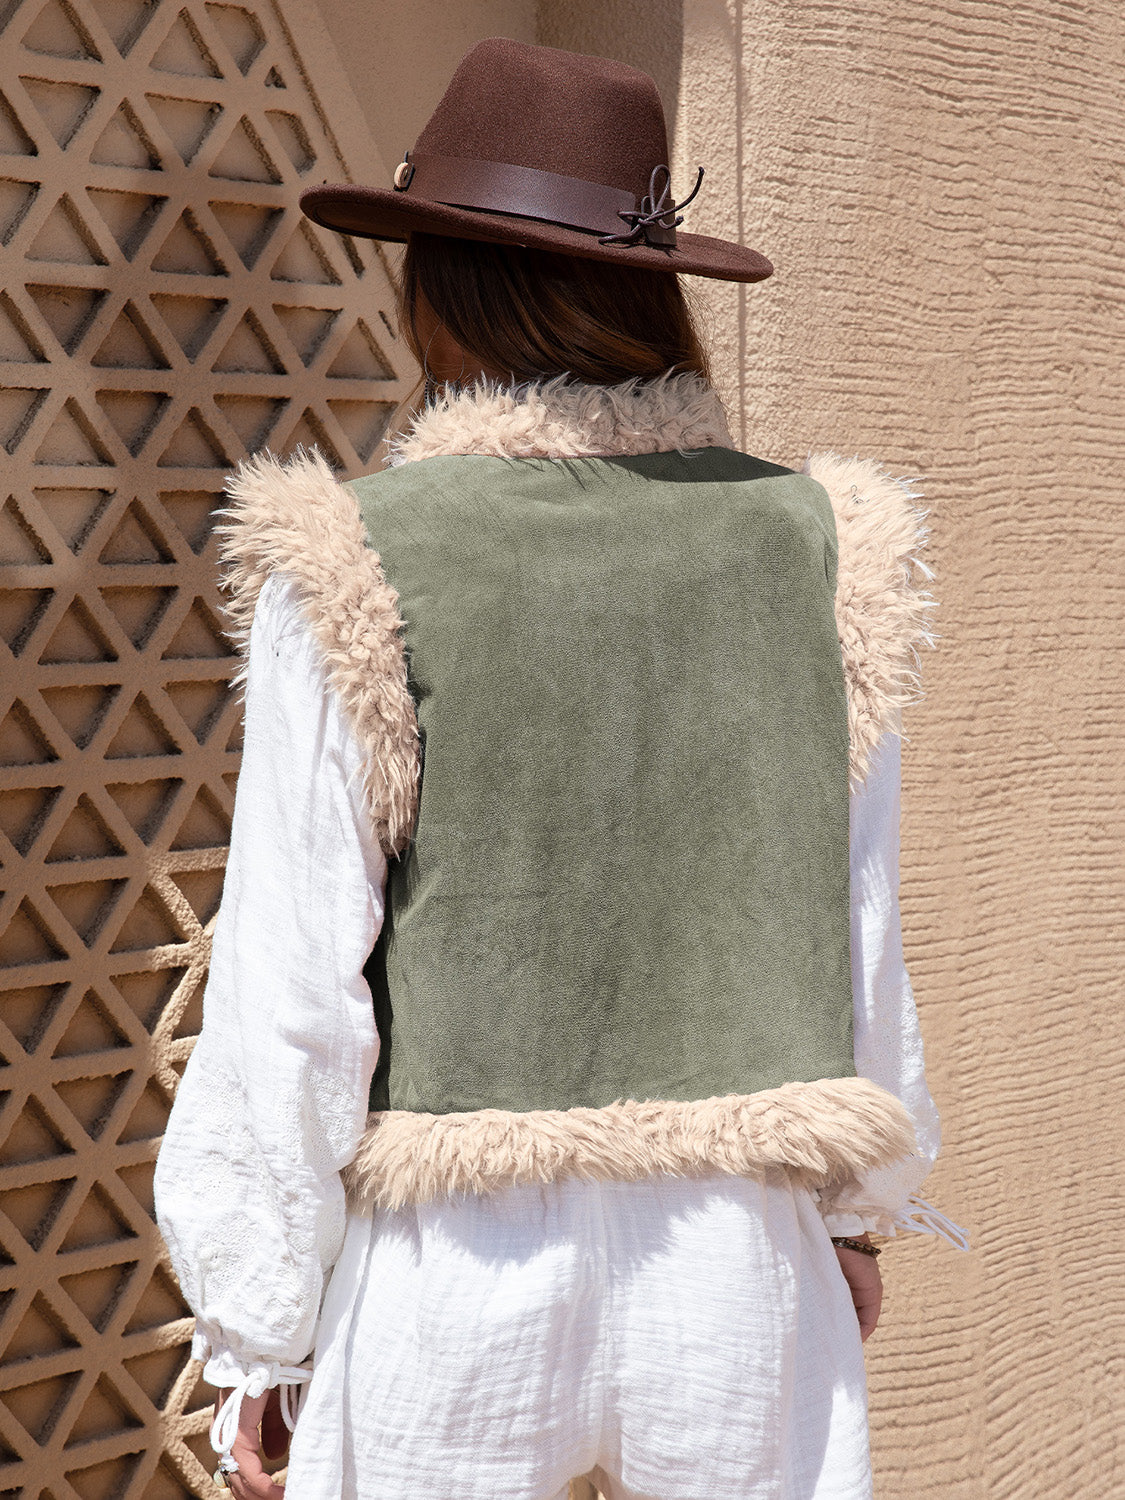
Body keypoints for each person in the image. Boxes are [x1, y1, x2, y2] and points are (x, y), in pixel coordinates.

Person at [153, 35, 970, 1500]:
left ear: (441, 285)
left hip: (448, 1268)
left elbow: (290, 991)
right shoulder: (818, 545)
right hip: (737, 1257)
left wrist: (259, 1339)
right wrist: (850, 1216)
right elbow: (859, 924)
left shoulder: (352, 553)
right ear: (651, 287)